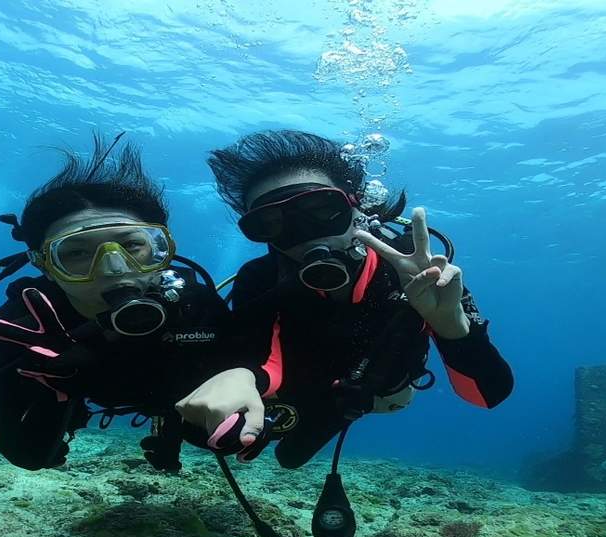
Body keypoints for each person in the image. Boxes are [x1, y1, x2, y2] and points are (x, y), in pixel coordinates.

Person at [177, 129, 514, 470]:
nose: (306, 236)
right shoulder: (261, 279)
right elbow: (262, 361)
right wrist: (242, 376)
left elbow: (488, 396)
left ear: (357, 207)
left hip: (380, 390)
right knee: (288, 458)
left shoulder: (416, 269)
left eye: (323, 210)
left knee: (299, 451)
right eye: (271, 223)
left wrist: (450, 324)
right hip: (311, 390)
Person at [0, 134, 238, 474]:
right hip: (73, 392)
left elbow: (238, 408)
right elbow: (22, 448)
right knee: (32, 457)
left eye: (132, 247)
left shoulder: (193, 305)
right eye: (77, 253)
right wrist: (56, 389)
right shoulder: (23, 329)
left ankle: (168, 424)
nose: (114, 269)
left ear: (162, 250)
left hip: (170, 396)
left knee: (217, 438)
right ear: (44, 266)